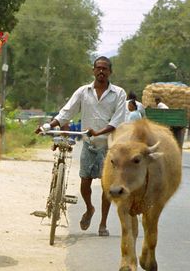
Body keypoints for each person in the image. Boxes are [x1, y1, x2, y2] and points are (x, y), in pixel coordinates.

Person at [35, 56, 127, 237]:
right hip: (88, 143)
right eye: (98, 68)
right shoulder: (84, 92)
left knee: (107, 186)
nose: (101, 71)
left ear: (110, 72)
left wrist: (99, 132)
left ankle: (103, 223)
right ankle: (89, 208)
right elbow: (66, 112)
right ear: (93, 70)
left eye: (105, 69)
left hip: (108, 145)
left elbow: (118, 121)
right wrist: (48, 126)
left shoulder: (119, 94)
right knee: (85, 183)